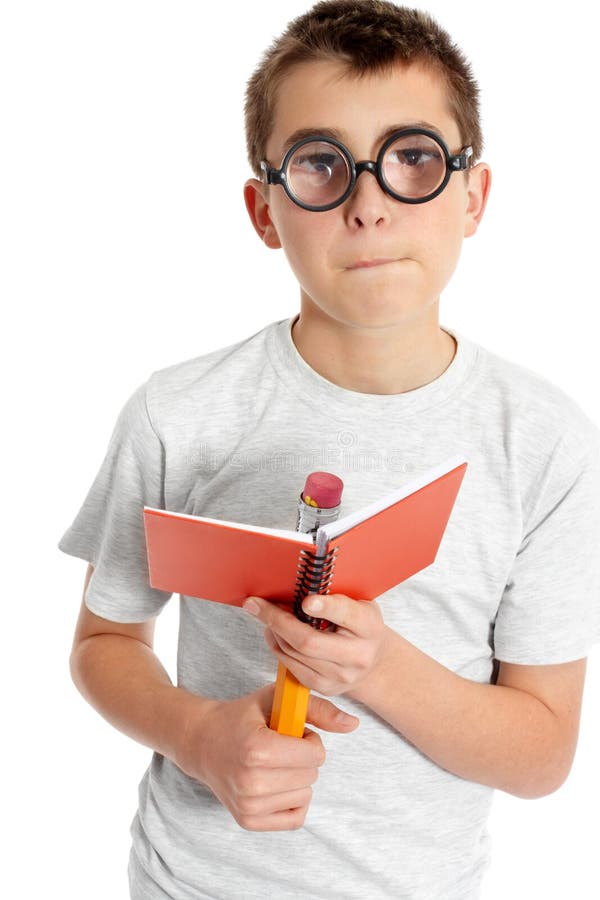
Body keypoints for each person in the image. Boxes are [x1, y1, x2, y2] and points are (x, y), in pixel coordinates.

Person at [59, 2, 600, 898]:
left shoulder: (544, 441)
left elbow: (542, 755)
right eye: (320, 165)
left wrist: (379, 669)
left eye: (414, 159)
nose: (369, 206)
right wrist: (196, 736)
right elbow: (104, 643)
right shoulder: (179, 413)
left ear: (475, 197)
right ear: (264, 210)